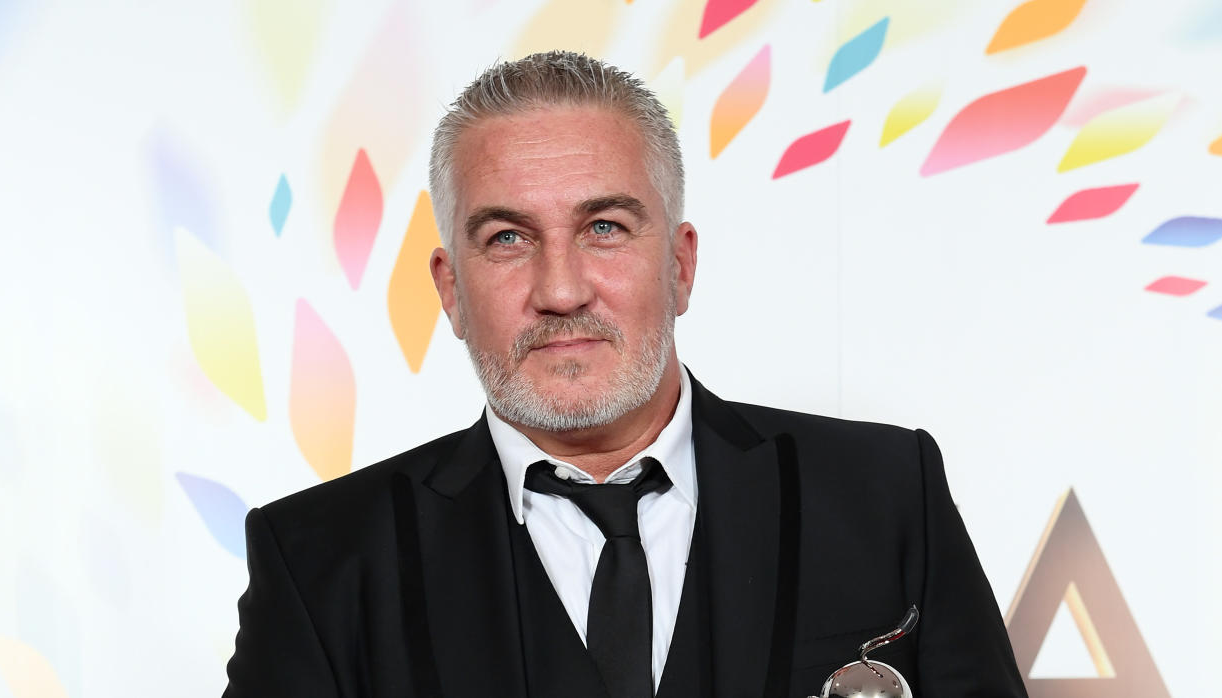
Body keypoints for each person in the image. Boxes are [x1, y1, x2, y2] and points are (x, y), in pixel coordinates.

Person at [223, 50, 1027, 698]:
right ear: (449, 288)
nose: (561, 290)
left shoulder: (884, 494)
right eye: (506, 238)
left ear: (679, 266)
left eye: (604, 227)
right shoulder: (319, 559)